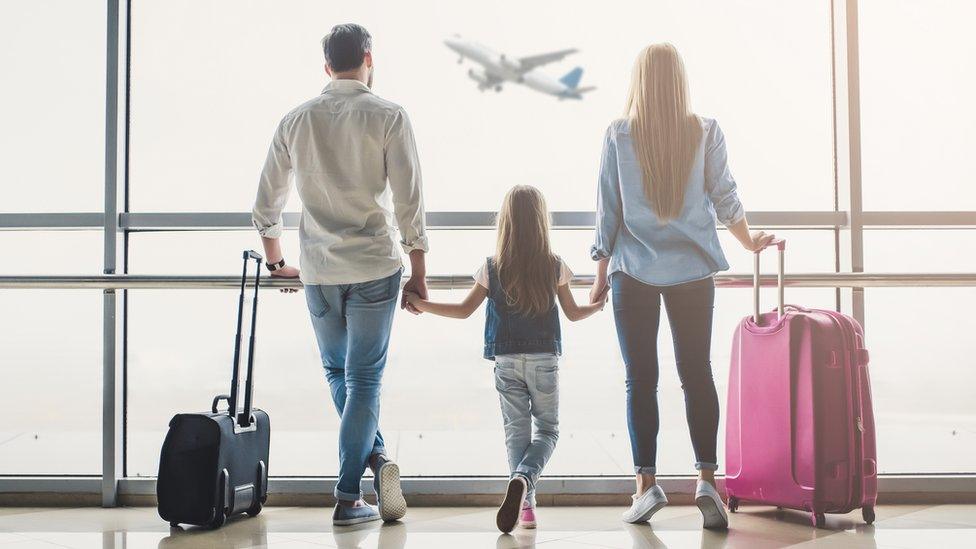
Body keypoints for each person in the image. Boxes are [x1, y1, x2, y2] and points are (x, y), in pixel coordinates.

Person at [588, 43, 774, 529]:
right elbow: (725, 196)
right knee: (696, 373)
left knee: (640, 380)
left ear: (640, 81)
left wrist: (599, 274)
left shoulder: (618, 134)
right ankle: (706, 481)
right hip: (692, 271)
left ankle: (646, 488)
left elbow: (608, 214)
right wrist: (749, 241)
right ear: (680, 82)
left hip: (634, 272)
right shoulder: (705, 131)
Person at [251, 23, 428, 526]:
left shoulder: (296, 120)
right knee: (365, 378)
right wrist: (419, 271)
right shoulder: (390, 115)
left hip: (320, 272)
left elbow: (266, 205)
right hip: (375, 265)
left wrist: (275, 262)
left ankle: (372, 460)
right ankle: (349, 494)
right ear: (368, 58)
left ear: (326, 66)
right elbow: (410, 201)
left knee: (339, 374)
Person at [405, 185, 607, 533]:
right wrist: (599, 305)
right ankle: (525, 480)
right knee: (548, 431)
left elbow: (463, 310)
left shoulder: (492, 267)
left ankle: (526, 508)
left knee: (517, 433)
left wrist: (421, 304)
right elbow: (573, 314)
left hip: (506, 360)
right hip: (544, 359)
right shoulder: (554, 265)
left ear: (506, 223)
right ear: (542, 221)